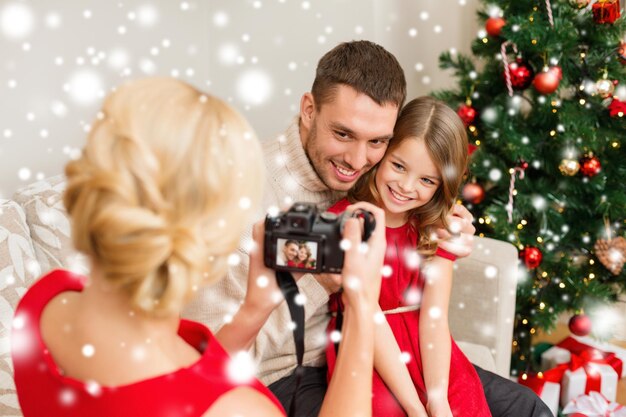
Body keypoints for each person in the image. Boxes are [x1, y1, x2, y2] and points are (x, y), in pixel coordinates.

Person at [184, 41, 550, 417]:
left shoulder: (373, 174)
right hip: (291, 373)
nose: (358, 161)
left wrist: (451, 221)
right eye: (343, 134)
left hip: (383, 352)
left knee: (528, 409)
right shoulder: (238, 197)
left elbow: (419, 176)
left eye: (377, 142)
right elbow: (206, 356)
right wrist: (321, 281)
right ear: (309, 110)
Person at [11, 77, 389, 417]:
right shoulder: (239, 410)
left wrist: (253, 310)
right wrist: (361, 301)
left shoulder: (45, 302)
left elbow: (187, 377)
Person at [326, 96, 490, 417]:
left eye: (426, 180)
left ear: (442, 185)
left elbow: (435, 316)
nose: (406, 186)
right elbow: (368, 316)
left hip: (430, 352)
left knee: (463, 402)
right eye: (398, 166)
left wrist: (438, 397)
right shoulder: (350, 221)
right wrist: (415, 407)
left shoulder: (435, 227)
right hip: (368, 345)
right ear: (382, 154)